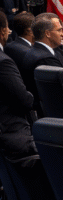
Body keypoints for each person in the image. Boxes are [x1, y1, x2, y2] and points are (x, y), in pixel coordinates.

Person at [0, 11, 36, 165]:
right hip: (13, 137)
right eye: (7, 29)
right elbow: (24, 99)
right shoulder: (3, 62)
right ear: (2, 30)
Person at [21, 13, 63, 112]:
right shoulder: (44, 59)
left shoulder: (48, 51)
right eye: (59, 30)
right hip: (58, 114)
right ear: (47, 34)